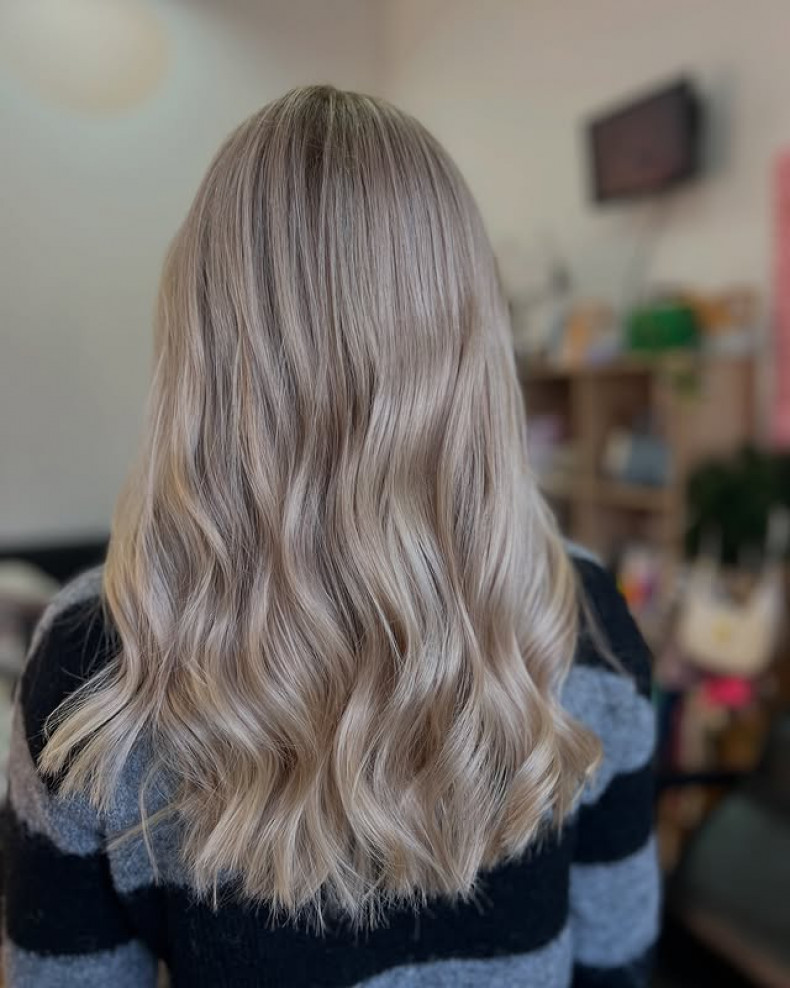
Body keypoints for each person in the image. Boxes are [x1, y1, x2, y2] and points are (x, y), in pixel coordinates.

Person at [4, 86, 658, 987]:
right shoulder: (581, 624)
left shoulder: (97, 669)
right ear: (472, 337)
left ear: (203, 339)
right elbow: (617, 962)